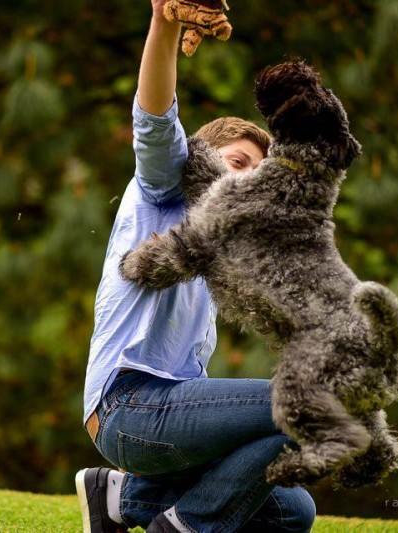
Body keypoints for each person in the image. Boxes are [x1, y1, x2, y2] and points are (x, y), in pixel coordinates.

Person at [76, 1, 316, 532]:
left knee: (292, 513)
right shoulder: (167, 186)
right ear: (201, 155)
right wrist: (163, 22)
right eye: (237, 162)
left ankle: (121, 498)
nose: (245, 179)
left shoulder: (222, 244)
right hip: (127, 404)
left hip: (169, 419)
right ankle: (185, 526)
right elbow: (154, 120)